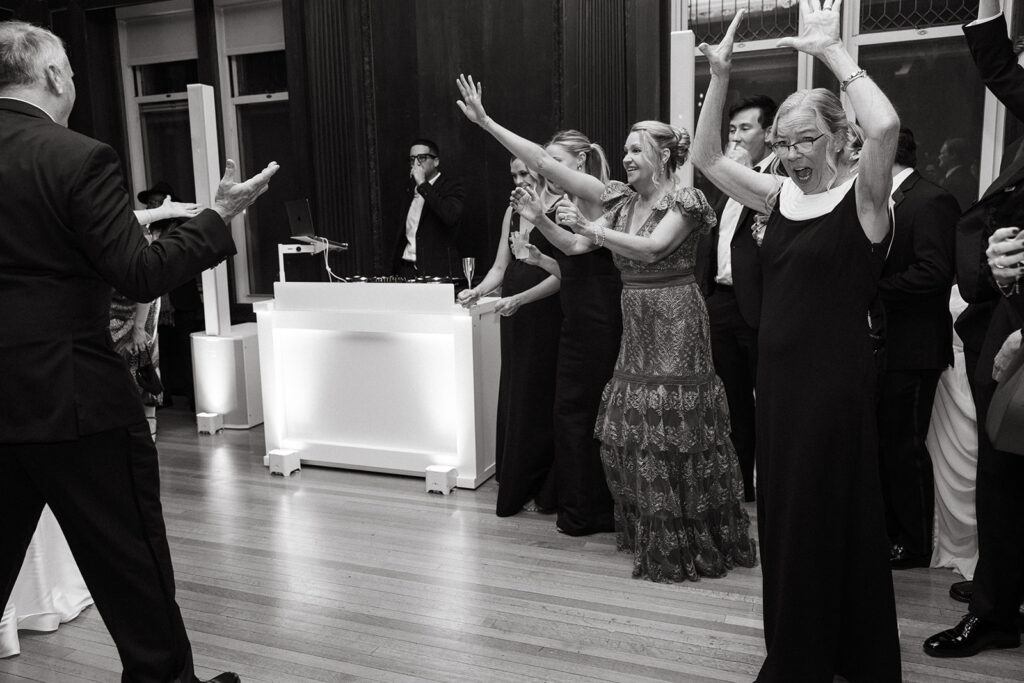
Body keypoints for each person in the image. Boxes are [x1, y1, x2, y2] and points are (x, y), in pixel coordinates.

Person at [0, 20, 278, 683]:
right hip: (79, 405)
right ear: (55, 77)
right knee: (131, 569)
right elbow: (139, 274)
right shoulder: (76, 156)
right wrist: (216, 218)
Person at [692, 3, 902, 680]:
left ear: (841, 139)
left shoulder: (865, 200)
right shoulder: (777, 195)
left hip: (831, 385)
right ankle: (810, 641)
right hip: (778, 385)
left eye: (804, 140)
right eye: (782, 143)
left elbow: (887, 124)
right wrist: (720, 77)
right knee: (784, 516)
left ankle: (809, 658)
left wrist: (833, 51)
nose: (790, 155)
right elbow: (705, 157)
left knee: (819, 516)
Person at [478, 106, 757, 577]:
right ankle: (653, 528)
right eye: (625, 149)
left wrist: (592, 228)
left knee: (675, 424)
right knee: (636, 427)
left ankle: (691, 534)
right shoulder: (621, 200)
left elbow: (652, 248)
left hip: (676, 316)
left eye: (636, 149)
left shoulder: (685, 201)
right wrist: (487, 123)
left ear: (664, 155)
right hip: (636, 320)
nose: (626, 157)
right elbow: (550, 174)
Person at [456, 79, 621, 536]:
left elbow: (577, 245)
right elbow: (566, 254)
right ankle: (571, 503)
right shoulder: (572, 199)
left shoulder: (600, 192)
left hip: (597, 317)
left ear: (580, 163)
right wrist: (534, 252)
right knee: (569, 413)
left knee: (583, 413)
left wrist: (486, 122)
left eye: (556, 164)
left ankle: (588, 509)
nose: (544, 171)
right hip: (577, 315)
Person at [924, 0, 1024, 658]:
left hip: (1016, 335)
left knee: (1007, 479)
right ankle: (1000, 589)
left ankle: (996, 607)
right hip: (1001, 320)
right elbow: (999, 65)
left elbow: (999, 67)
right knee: (1005, 478)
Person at [458, 158, 562, 516]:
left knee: (539, 393)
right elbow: (500, 268)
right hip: (512, 312)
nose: (518, 181)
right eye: (514, 175)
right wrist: (479, 291)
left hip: (546, 311)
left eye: (524, 174)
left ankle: (543, 482)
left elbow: (566, 272)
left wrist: (516, 298)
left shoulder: (557, 209)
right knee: (517, 388)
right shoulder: (510, 212)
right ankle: (517, 478)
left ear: (541, 173)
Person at [878, 128, 958, 569]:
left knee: (905, 447)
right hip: (882, 346)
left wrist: (875, 288)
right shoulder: (879, 201)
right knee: (882, 445)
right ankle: (889, 532)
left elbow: (935, 272)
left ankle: (914, 544)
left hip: (915, 346)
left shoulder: (931, 200)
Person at [694, 94, 777, 502]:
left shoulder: (780, 179)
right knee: (731, 402)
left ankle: (773, 485)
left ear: (768, 133)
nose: (737, 137)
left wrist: (739, 173)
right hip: (722, 302)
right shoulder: (727, 182)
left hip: (761, 307)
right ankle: (740, 484)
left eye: (746, 129)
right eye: (732, 130)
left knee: (770, 402)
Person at [109, 184, 202, 438]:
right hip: (120, 313)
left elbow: (148, 283)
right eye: (150, 204)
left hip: (148, 308)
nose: (153, 207)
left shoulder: (165, 233)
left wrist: (139, 325)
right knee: (128, 368)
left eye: (158, 203)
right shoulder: (128, 233)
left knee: (147, 363)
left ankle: (149, 429)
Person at [392, 138, 465, 280]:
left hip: (436, 271)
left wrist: (423, 184)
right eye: (412, 159)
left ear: (436, 161)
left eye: (422, 158)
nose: (416, 163)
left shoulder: (451, 186)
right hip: (406, 268)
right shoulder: (407, 189)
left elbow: (450, 216)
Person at [937, 137, 979, 212]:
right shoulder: (960, 177)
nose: (939, 157)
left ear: (953, 155)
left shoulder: (959, 182)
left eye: (942, 153)